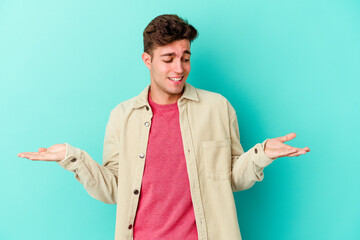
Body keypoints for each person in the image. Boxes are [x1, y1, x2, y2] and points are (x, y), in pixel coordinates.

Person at [18, 14, 310, 240]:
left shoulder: (217, 107)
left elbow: (232, 178)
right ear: (147, 60)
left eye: (185, 58)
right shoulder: (122, 116)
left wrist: (262, 154)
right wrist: (73, 158)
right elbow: (113, 191)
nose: (178, 68)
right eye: (168, 59)